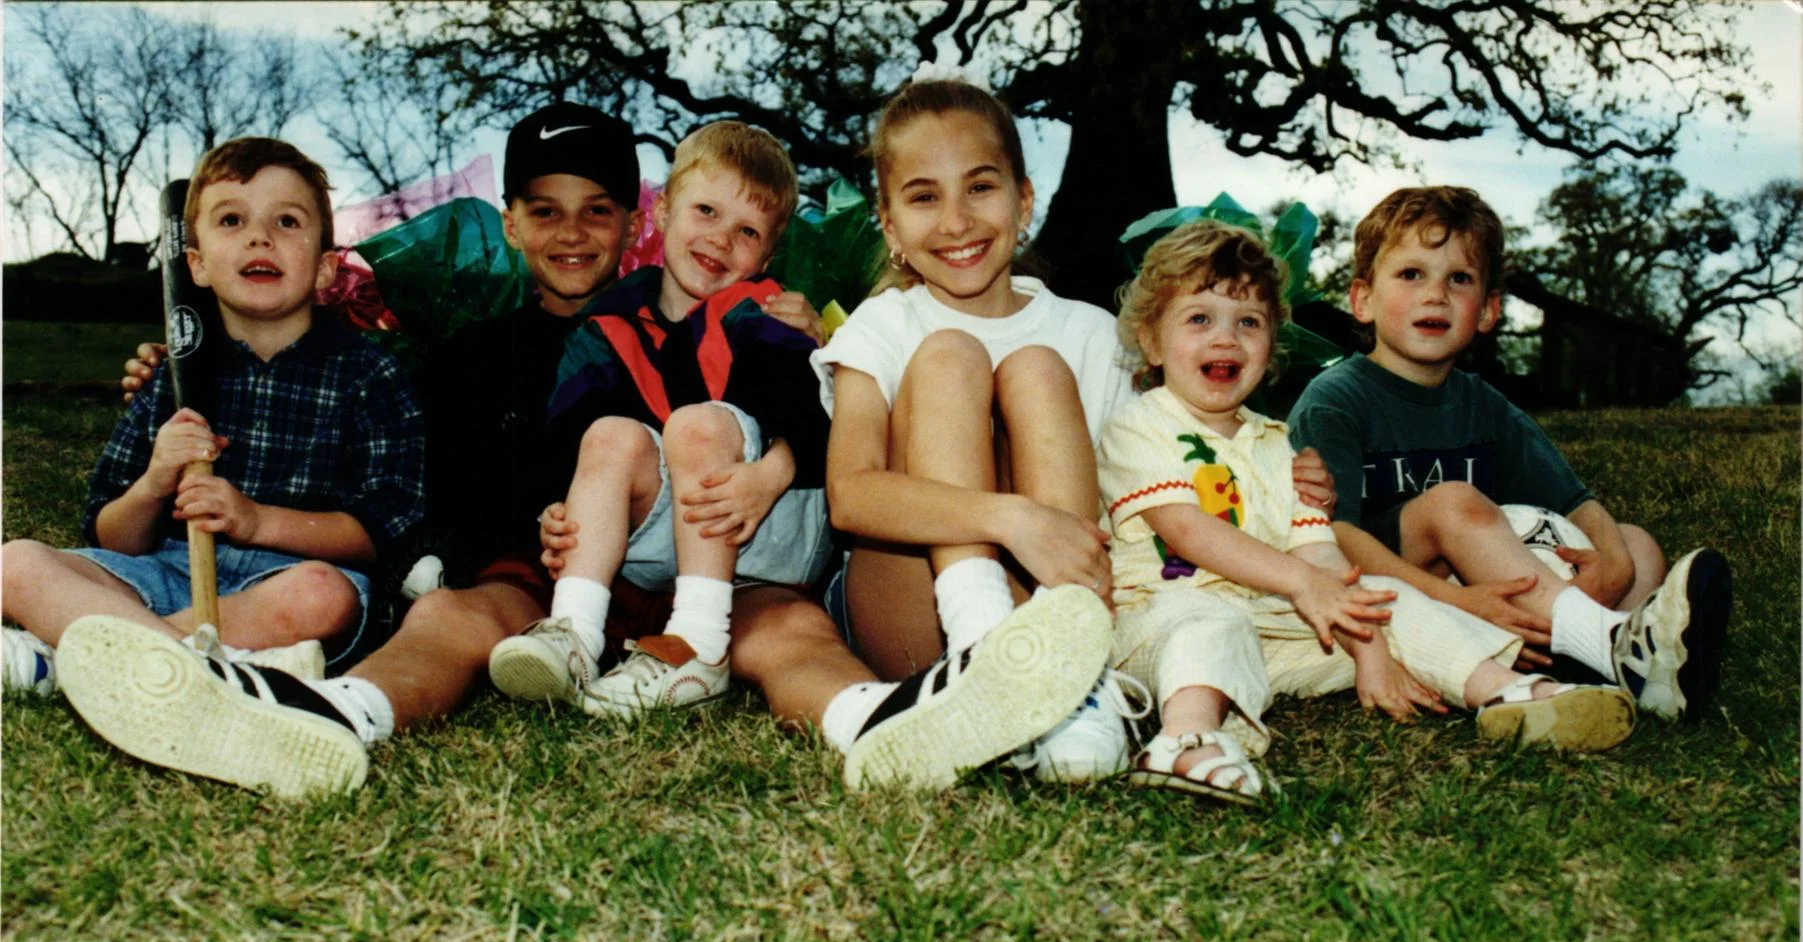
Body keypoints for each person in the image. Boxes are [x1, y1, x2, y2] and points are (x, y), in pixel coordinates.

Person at [60, 103, 1105, 797]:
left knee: (788, 633)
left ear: (630, 223)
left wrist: (792, 397)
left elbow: (818, 417)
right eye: (545, 211)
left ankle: (881, 724)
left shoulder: (756, 318)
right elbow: (411, 465)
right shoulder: (472, 352)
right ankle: (333, 715)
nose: (572, 234)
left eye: (597, 211)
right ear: (511, 223)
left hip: (720, 572)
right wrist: (175, 362)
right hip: (557, 583)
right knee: (451, 617)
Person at [815, 76, 1336, 782]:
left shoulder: (1091, 335)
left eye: (980, 187)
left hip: (1052, 599)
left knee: (1036, 367)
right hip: (915, 607)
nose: (956, 221)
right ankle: (980, 651)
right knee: (948, 356)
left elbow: (1169, 468)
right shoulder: (884, 325)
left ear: (1024, 200)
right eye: (923, 197)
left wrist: (1282, 478)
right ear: (889, 224)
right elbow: (850, 497)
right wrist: (1011, 518)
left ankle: (1074, 688)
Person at [1101, 221, 1635, 800]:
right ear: (1152, 342)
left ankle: (1503, 692)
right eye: (1199, 319)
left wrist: (1370, 648)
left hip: (1276, 628)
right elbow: (1188, 530)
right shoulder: (1141, 425)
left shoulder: (1280, 446)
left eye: (1249, 322)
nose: (1226, 338)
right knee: (1209, 620)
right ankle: (1186, 739)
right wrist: (1304, 583)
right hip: (1162, 623)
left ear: (1272, 343)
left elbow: (1319, 552)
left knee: (1389, 595)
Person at [1287, 186, 1730, 722]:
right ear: (1362, 300)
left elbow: (1575, 501)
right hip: (1401, 595)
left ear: (1488, 310)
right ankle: (1609, 645)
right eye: (1411, 274)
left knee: (1635, 543)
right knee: (1452, 501)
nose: (1436, 295)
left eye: (1459, 279)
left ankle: (1620, 662)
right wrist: (1456, 601)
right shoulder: (1335, 399)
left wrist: (1613, 567)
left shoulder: (1484, 403)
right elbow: (1333, 536)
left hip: (1502, 591)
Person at [4, 137, 424, 698]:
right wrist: (155, 482)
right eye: (231, 220)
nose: (259, 237)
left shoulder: (368, 375)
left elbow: (382, 532)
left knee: (324, 595)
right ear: (197, 266)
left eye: (287, 221)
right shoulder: (172, 378)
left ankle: (87, 660)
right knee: (15, 563)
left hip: (284, 582)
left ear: (326, 268)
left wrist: (256, 522)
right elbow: (114, 537)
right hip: (166, 571)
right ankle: (195, 665)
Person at [487, 121, 835, 714]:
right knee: (609, 434)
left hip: (767, 514)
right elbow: (567, 442)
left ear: (768, 254)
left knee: (698, 426)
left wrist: (768, 477)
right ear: (662, 212)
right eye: (706, 211)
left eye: (747, 231)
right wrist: (555, 512)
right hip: (670, 539)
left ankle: (698, 647)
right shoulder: (608, 325)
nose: (720, 240)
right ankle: (574, 633)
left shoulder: (763, 316)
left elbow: (816, 420)